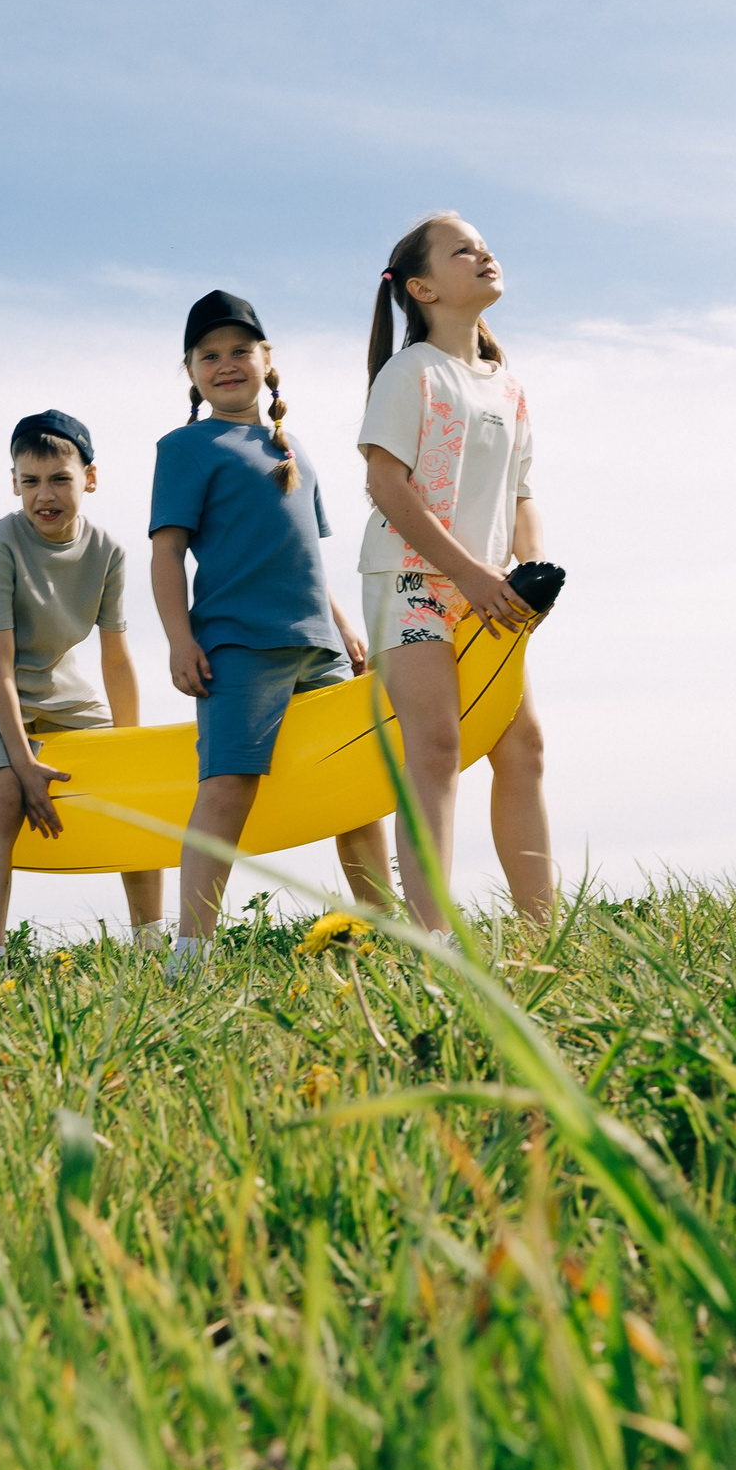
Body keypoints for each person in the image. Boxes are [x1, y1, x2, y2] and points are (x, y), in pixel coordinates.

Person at [151, 291, 393, 983]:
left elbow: (308, 558)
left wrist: (344, 629)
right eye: (209, 356)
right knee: (226, 786)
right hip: (236, 644)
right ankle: (189, 954)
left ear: (266, 360)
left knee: (355, 790)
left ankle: (379, 929)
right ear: (192, 371)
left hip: (317, 646)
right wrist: (179, 638)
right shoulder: (186, 448)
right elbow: (167, 553)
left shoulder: (296, 450)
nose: (225, 364)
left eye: (239, 351)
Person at [359, 213, 553, 929]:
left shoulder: (510, 388)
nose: (484, 253)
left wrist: (530, 573)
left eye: (484, 244)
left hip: (491, 592)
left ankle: (541, 933)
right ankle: (434, 938)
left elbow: (522, 496)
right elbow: (386, 483)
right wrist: (469, 573)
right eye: (462, 249)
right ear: (422, 288)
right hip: (409, 582)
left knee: (523, 746)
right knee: (437, 746)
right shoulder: (408, 372)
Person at [0, 410, 163, 978]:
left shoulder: (108, 550)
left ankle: (153, 945)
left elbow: (115, 657)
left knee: (133, 793)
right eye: (31, 481)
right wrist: (23, 764)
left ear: (89, 478)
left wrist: (129, 750)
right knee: (1, 795)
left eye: (60, 479)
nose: (46, 495)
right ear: (14, 482)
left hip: (59, 683)